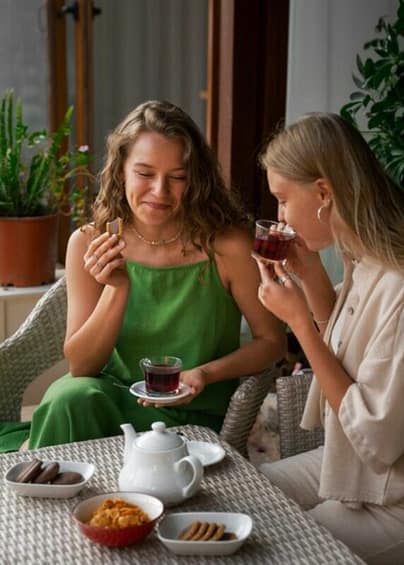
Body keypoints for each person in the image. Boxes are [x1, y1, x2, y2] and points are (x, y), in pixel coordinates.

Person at [27, 100, 285, 449]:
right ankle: (53, 500)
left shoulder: (228, 245)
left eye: (177, 177)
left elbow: (271, 343)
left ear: (194, 179)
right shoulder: (91, 242)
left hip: (195, 410)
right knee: (68, 397)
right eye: (145, 174)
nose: (160, 192)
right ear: (121, 170)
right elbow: (82, 365)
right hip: (113, 402)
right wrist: (117, 287)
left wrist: (206, 374)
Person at [254, 112, 404, 564]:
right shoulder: (364, 257)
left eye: (283, 199)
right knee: (245, 496)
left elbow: (377, 437)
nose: (279, 216)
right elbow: (345, 345)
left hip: (393, 495)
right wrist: (314, 279)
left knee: (276, 547)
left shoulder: (398, 283)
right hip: (350, 464)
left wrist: (299, 324)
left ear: (323, 192)